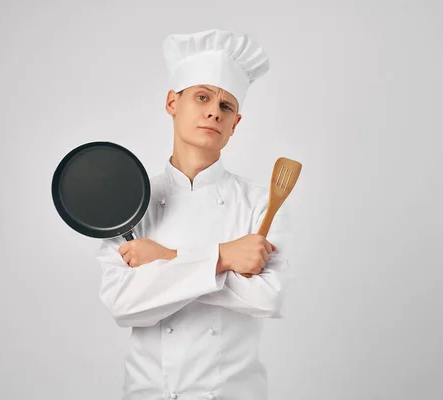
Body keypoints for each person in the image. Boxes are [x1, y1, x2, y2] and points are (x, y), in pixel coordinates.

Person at [95, 28, 295, 400]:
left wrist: (165, 260)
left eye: (225, 106)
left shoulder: (262, 203)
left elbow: (268, 298)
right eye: (202, 97)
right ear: (172, 102)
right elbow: (123, 306)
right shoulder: (130, 201)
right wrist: (222, 258)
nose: (212, 112)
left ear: (235, 124)